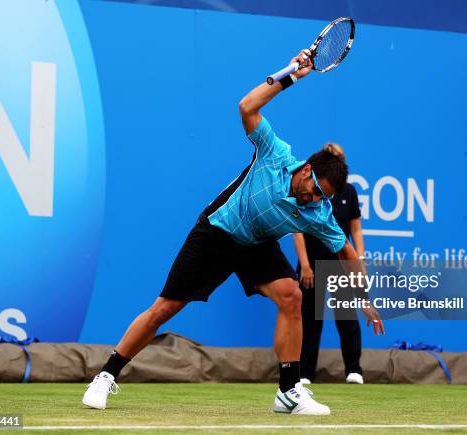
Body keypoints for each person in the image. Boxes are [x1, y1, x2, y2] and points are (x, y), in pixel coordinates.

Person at [82, 49, 384, 416]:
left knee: (291, 295)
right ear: (305, 171)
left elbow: (346, 252)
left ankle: (289, 391)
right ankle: (106, 375)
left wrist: (361, 296)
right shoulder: (275, 153)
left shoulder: (318, 212)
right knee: (165, 308)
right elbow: (246, 107)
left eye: (326, 197)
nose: (317, 200)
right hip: (218, 231)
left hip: (255, 244)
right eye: (317, 191)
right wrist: (290, 74)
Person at [293, 144, 366, 385]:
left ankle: (354, 369)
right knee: (310, 320)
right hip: (311, 264)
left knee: (346, 317)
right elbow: (297, 229)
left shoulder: (349, 192)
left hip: (340, 264)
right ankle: (305, 372)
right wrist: (304, 264)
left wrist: (360, 262)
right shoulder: (311, 189)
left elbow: (355, 229)